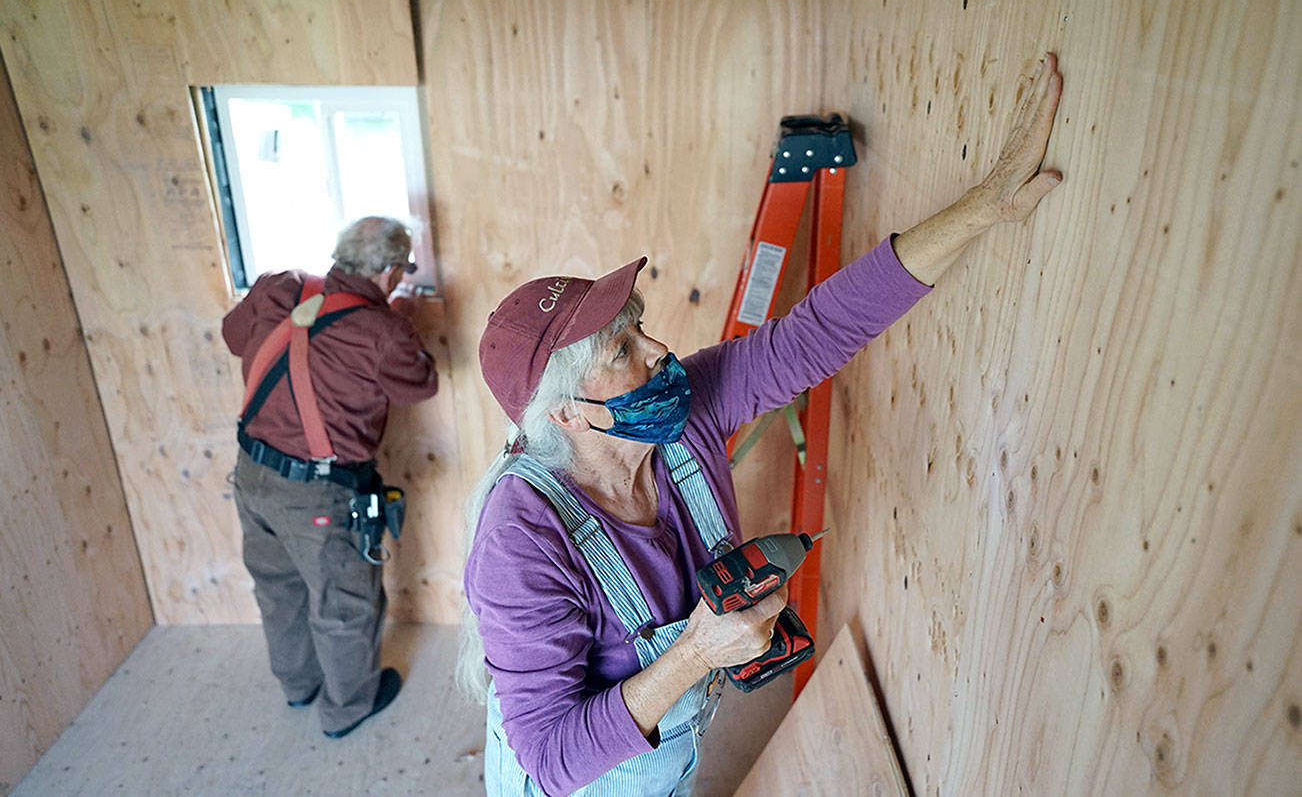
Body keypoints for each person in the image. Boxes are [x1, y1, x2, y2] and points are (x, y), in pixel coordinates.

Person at [461, 53, 1065, 796]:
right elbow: (552, 761)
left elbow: (818, 331)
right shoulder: (519, 539)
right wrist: (694, 654)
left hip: (666, 761)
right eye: (624, 349)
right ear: (565, 413)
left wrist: (982, 208)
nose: (660, 351)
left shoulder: (687, 411)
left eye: (640, 326)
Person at [222, 215, 439, 738]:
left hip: (251, 472)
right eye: (404, 268)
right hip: (318, 492)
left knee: (277, 586)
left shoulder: (280, 288)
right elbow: (421, 382)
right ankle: (346, 710)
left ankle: (298, 686)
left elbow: (233, 336)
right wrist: (398, 319)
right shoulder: (381, 331)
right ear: (390, 271)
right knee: (344, 601)